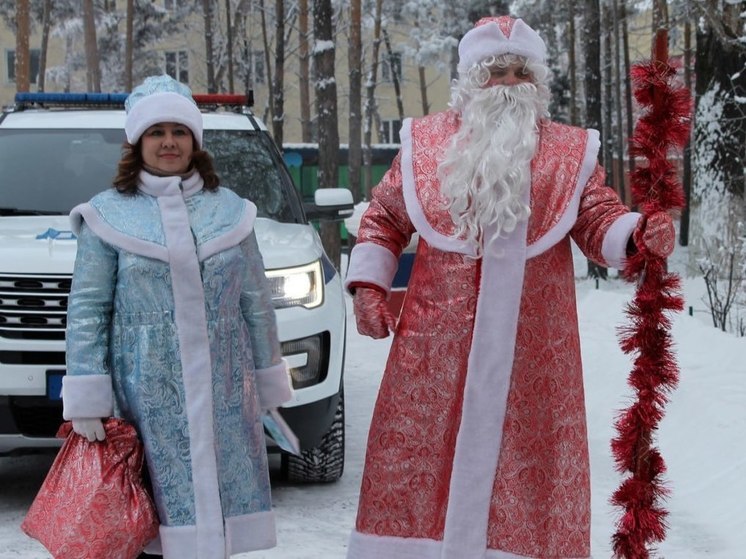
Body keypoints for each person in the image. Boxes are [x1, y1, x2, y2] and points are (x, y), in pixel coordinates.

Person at [344, 15, 675, 559]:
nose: (509, 80)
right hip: (434, 360)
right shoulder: (425, 146)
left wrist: (637, 234)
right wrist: (369, 288)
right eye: (496, 70)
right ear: (470, 81)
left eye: (521, 69)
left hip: (532, 363)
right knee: (422, 469)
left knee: (524, 478)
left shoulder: (570, 155)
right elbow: (384, 215)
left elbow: (597, 219)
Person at [61, 75, 293, 558]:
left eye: (179, 131)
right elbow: (87, 310)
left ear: (195, 141)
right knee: (156, 521)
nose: (169, 141)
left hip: (225, 393)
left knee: (220, 511)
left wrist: (268, 379)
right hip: (143, 391)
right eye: (156, 131)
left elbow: (255, 303)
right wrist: (87, 394)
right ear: (137, 142)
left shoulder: (232, 212)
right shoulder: (106, 215)